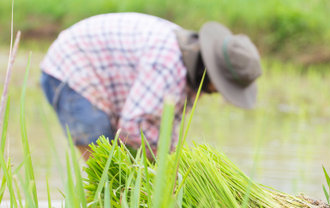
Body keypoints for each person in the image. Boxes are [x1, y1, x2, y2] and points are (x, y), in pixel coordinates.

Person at [40, 13, 262, 160]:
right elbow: (131, 128)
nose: (218, 93)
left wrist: (171, 158)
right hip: (71, 71)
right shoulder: (167, 65)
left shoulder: (191, 62)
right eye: (221, 87)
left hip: (101, 73)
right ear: (212, 73)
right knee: (107, 169)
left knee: (128, 168)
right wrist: (163, 164)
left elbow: (166, 125)